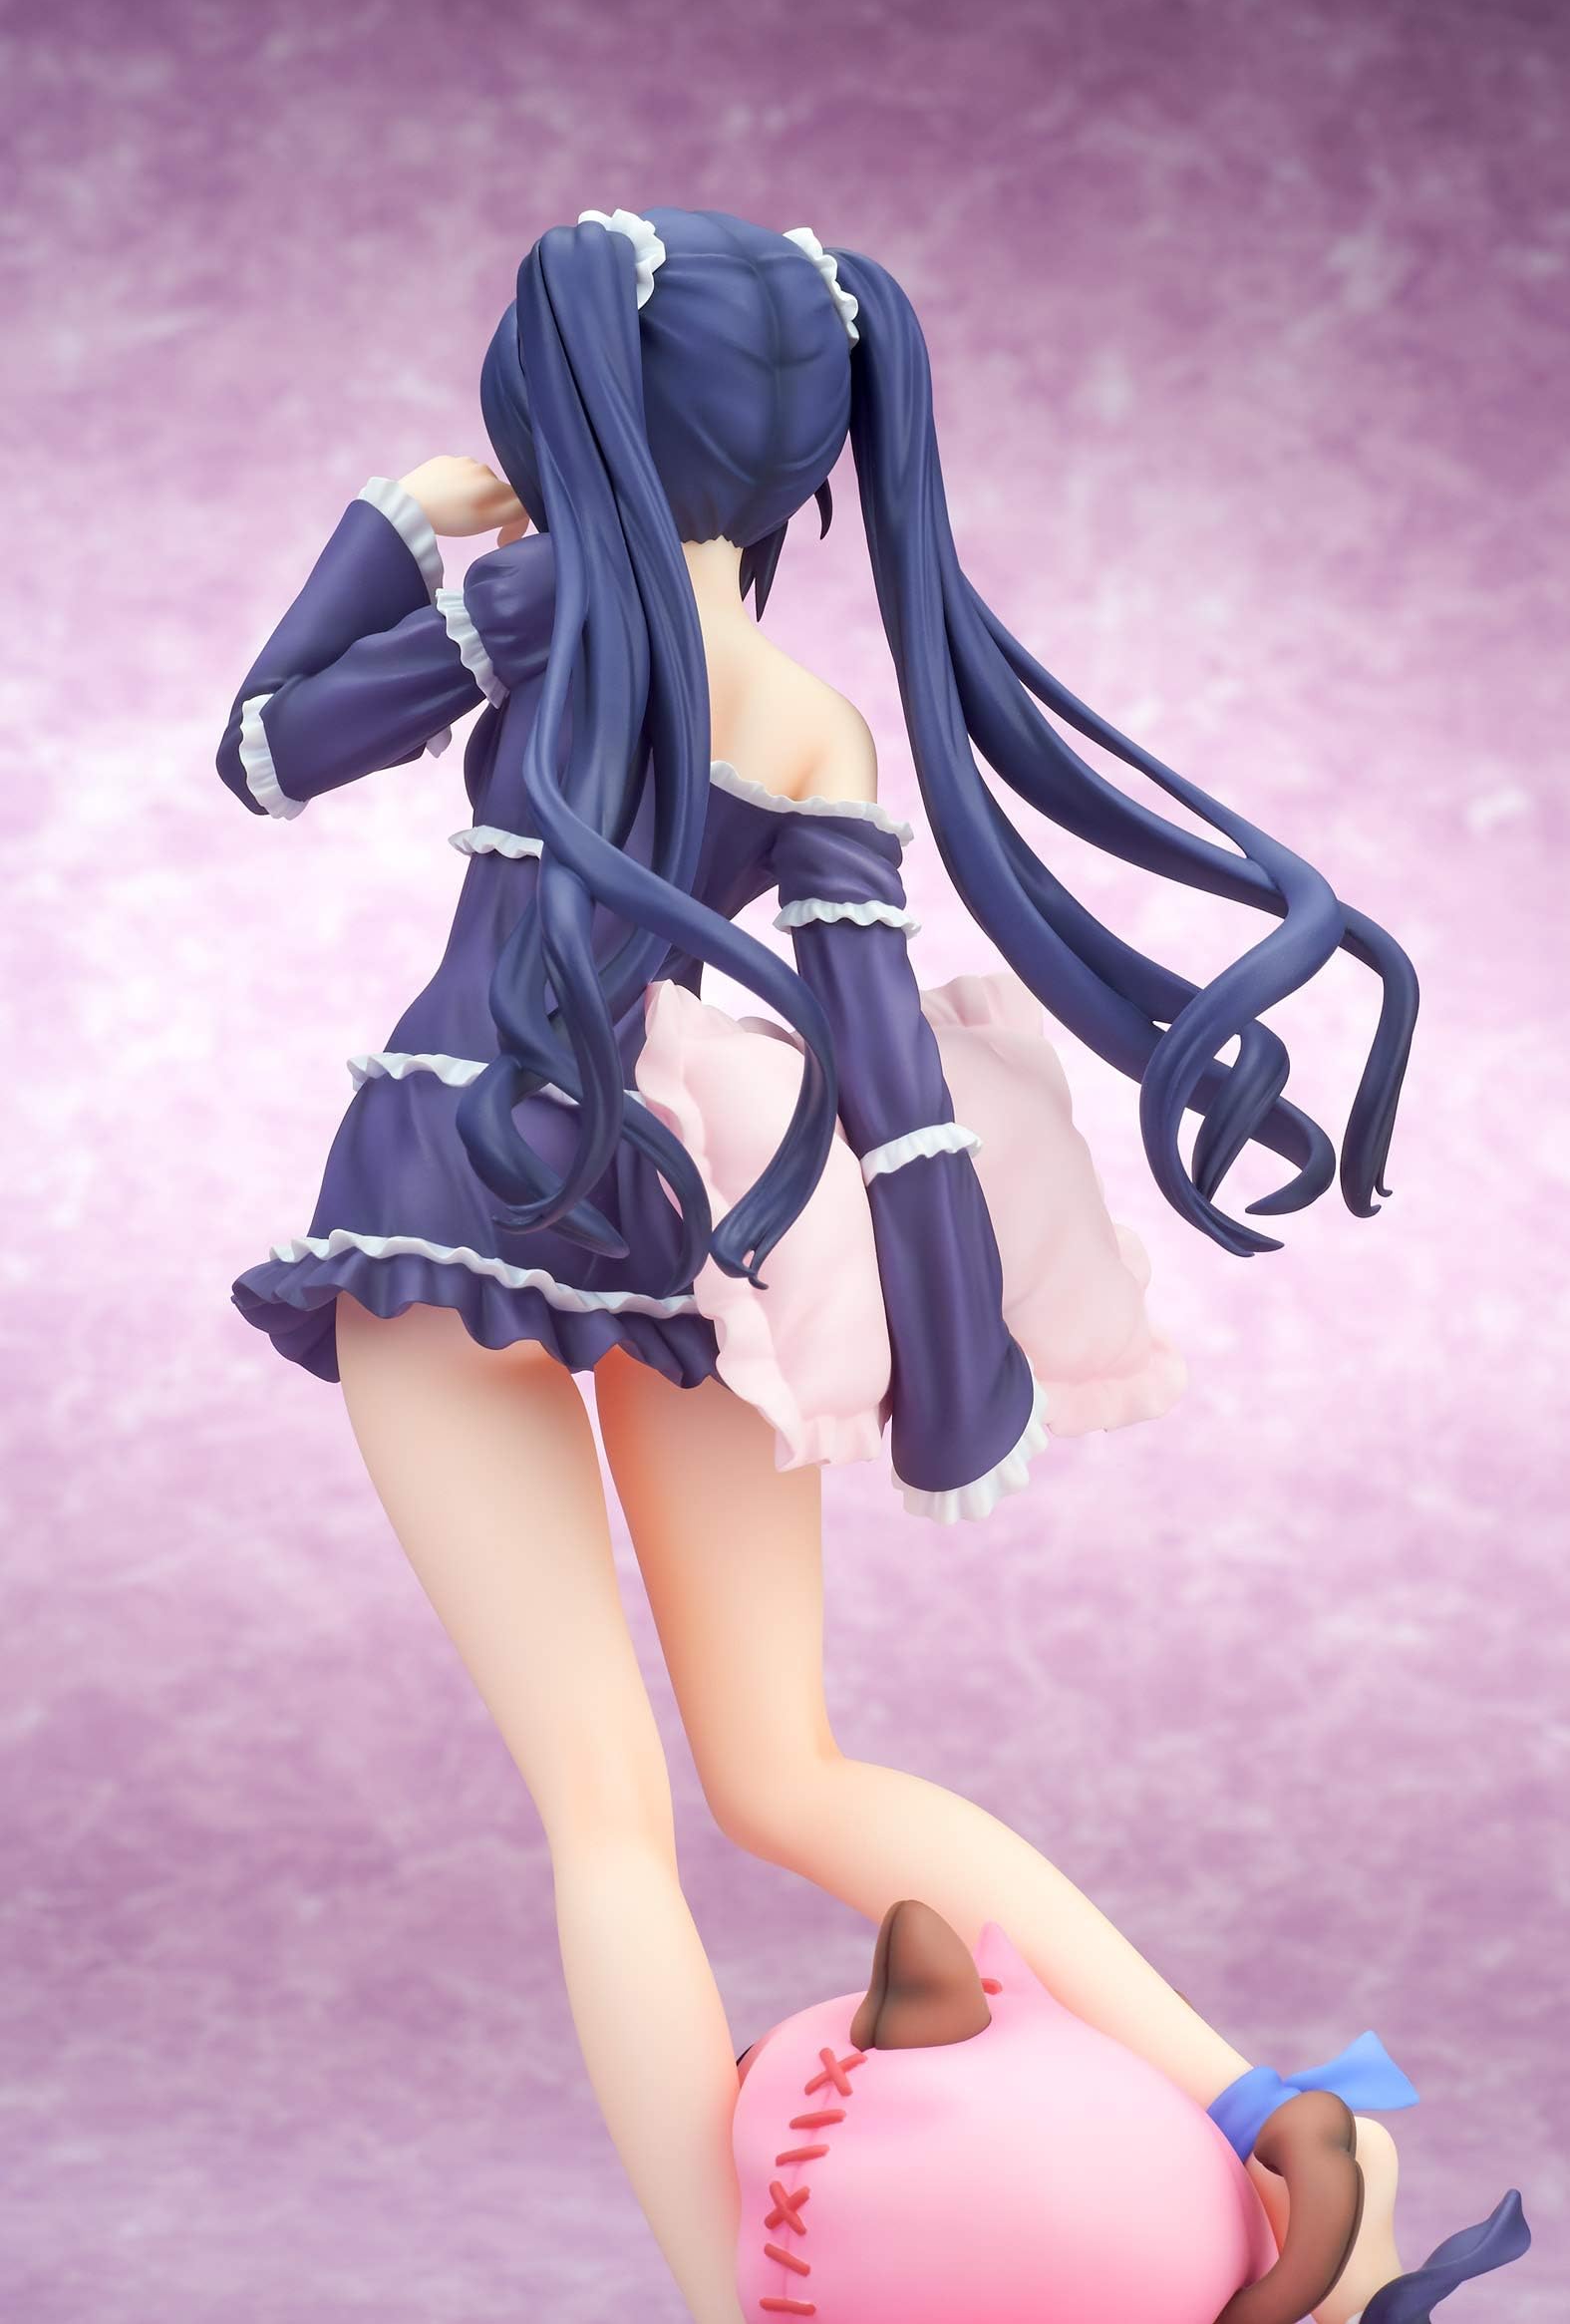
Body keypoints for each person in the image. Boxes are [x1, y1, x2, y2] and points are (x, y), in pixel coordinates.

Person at [214, 208, 1520, 2324]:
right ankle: (1279, 2116)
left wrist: (403, 518)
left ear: (579, 419)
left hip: (446, 1191)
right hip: (693, 1234)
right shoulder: (813, 719)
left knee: (608, 1817)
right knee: (786, 1769)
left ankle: (729, 2306)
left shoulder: (530, 612)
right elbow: (888, 1084)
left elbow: (265, 746)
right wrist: (952, 1369)